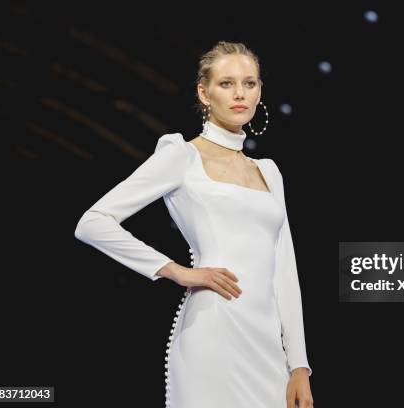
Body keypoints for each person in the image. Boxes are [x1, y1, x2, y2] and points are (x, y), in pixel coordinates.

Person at [74, 41, 314, 407]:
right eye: (226, 83)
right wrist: (177, 271)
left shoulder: (269, 171)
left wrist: (299, 365)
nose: (239, 94)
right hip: (214, 329)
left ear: (260, 91)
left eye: (250, 84)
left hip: (268, 346)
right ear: (204, 93)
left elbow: (285, 270)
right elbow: (92, 222)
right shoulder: (181, 156)